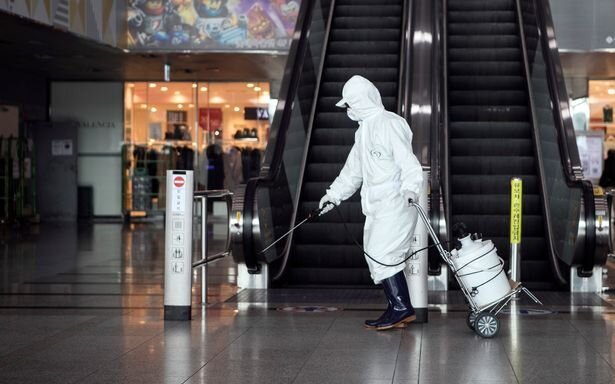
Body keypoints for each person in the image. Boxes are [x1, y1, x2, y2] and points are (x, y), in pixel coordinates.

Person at [319, 75, 424, 330]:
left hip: (396, 202)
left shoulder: (389, 124)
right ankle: (397, 306)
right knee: (378, 256)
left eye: (351, 105)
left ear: (362, 101)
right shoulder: (363, 131)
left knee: (383, 254)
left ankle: (401, 307)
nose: (349, 111)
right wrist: (333, 195)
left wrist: (411, 187)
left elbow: (408, 161)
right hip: (376, 205)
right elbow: (353, 170)